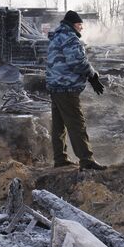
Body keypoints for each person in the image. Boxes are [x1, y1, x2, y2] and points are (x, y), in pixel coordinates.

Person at [46, 10, 106, 171]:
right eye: (80, 25)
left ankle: (60, 158)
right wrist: (92, 75)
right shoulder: (69, 38)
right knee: (76, 123)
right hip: (66, 87)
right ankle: (86, 160)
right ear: (73, 25)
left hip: (55, 86)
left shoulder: (56, 36)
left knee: (59, 125)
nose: (81, 28)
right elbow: (77, 62)